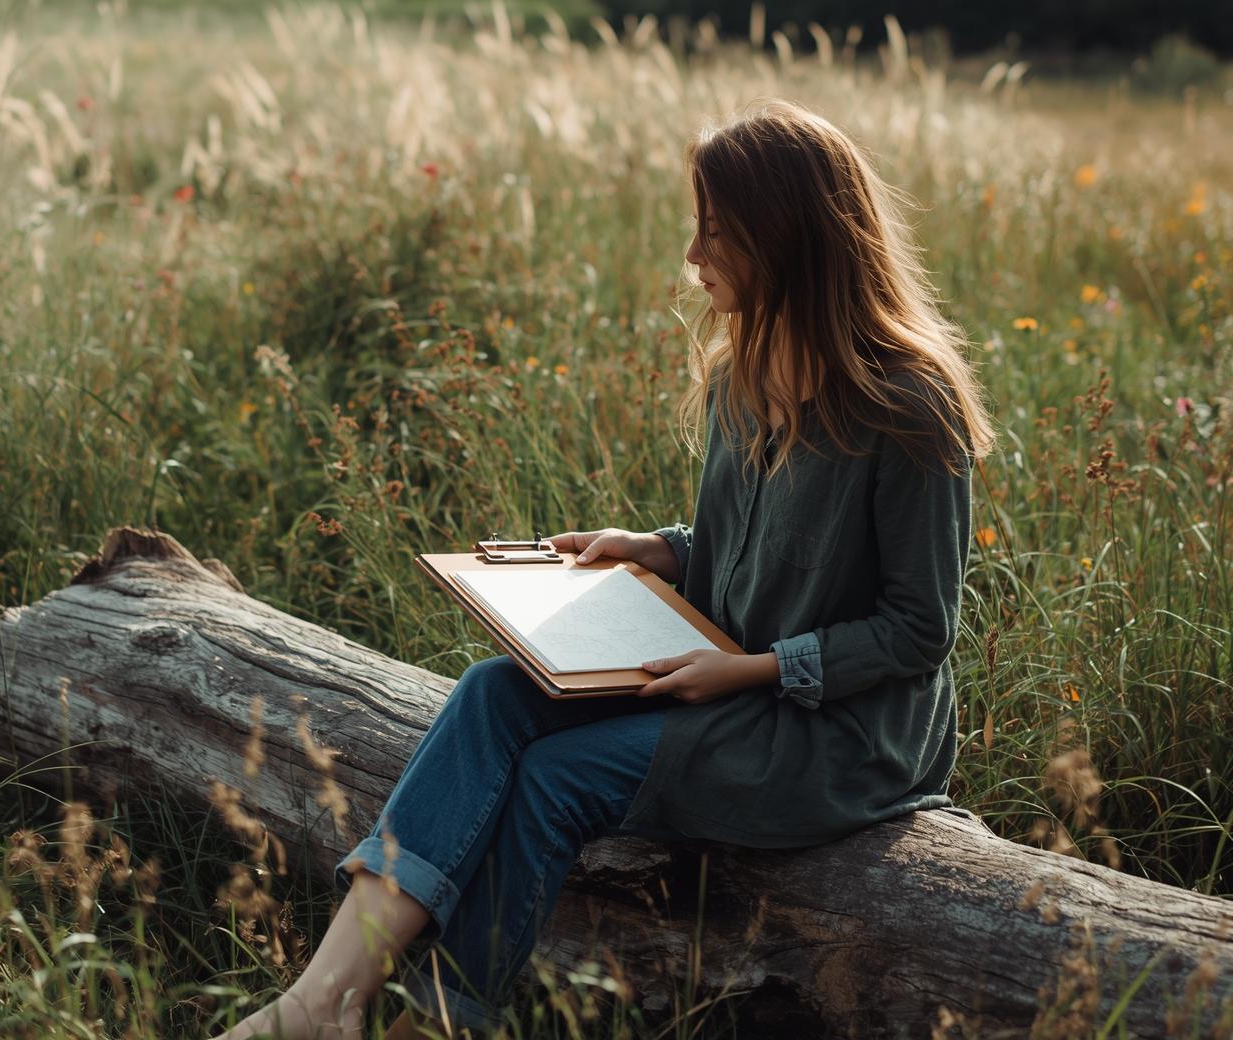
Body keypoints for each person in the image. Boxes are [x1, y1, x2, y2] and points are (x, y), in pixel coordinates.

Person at [209, 96, 997, 1040]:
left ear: (787, 241)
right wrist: (661, 550)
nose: (693, 257)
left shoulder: (909, 406)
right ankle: (323, 1003)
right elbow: (767, 559)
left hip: (837, 738)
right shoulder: (742, 376)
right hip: (722, 675)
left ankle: (441, 1022)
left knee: (555, 778)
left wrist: (746, 671)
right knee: (492, 693)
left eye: (716, 233)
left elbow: (917, 630)